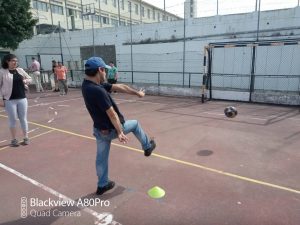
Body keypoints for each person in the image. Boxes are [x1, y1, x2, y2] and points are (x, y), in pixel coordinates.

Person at [81, 57, 156, 195]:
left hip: (99, 130)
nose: (106, 74)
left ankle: (102, 185)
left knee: (101, 158)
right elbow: (112, 114)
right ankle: (147, 146)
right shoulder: (98, 91)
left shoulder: (87, 85)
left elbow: (119, 86)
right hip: (110, 129)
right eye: (105, 71)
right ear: (100, 70)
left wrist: (137, 93)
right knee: (135, 124)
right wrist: (120, 132)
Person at [0, 54, 32, 146]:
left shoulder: (20, 70)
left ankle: (26, 137)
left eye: (16, 61)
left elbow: (29, 78)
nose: (15, 62)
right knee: (13, 119)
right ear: (7, 61)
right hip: (9, 99)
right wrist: (0, 99)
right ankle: (14, 139)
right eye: (13, 61)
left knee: (23, 119)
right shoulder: (2, 72)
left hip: (22, 98)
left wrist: (25, 81)